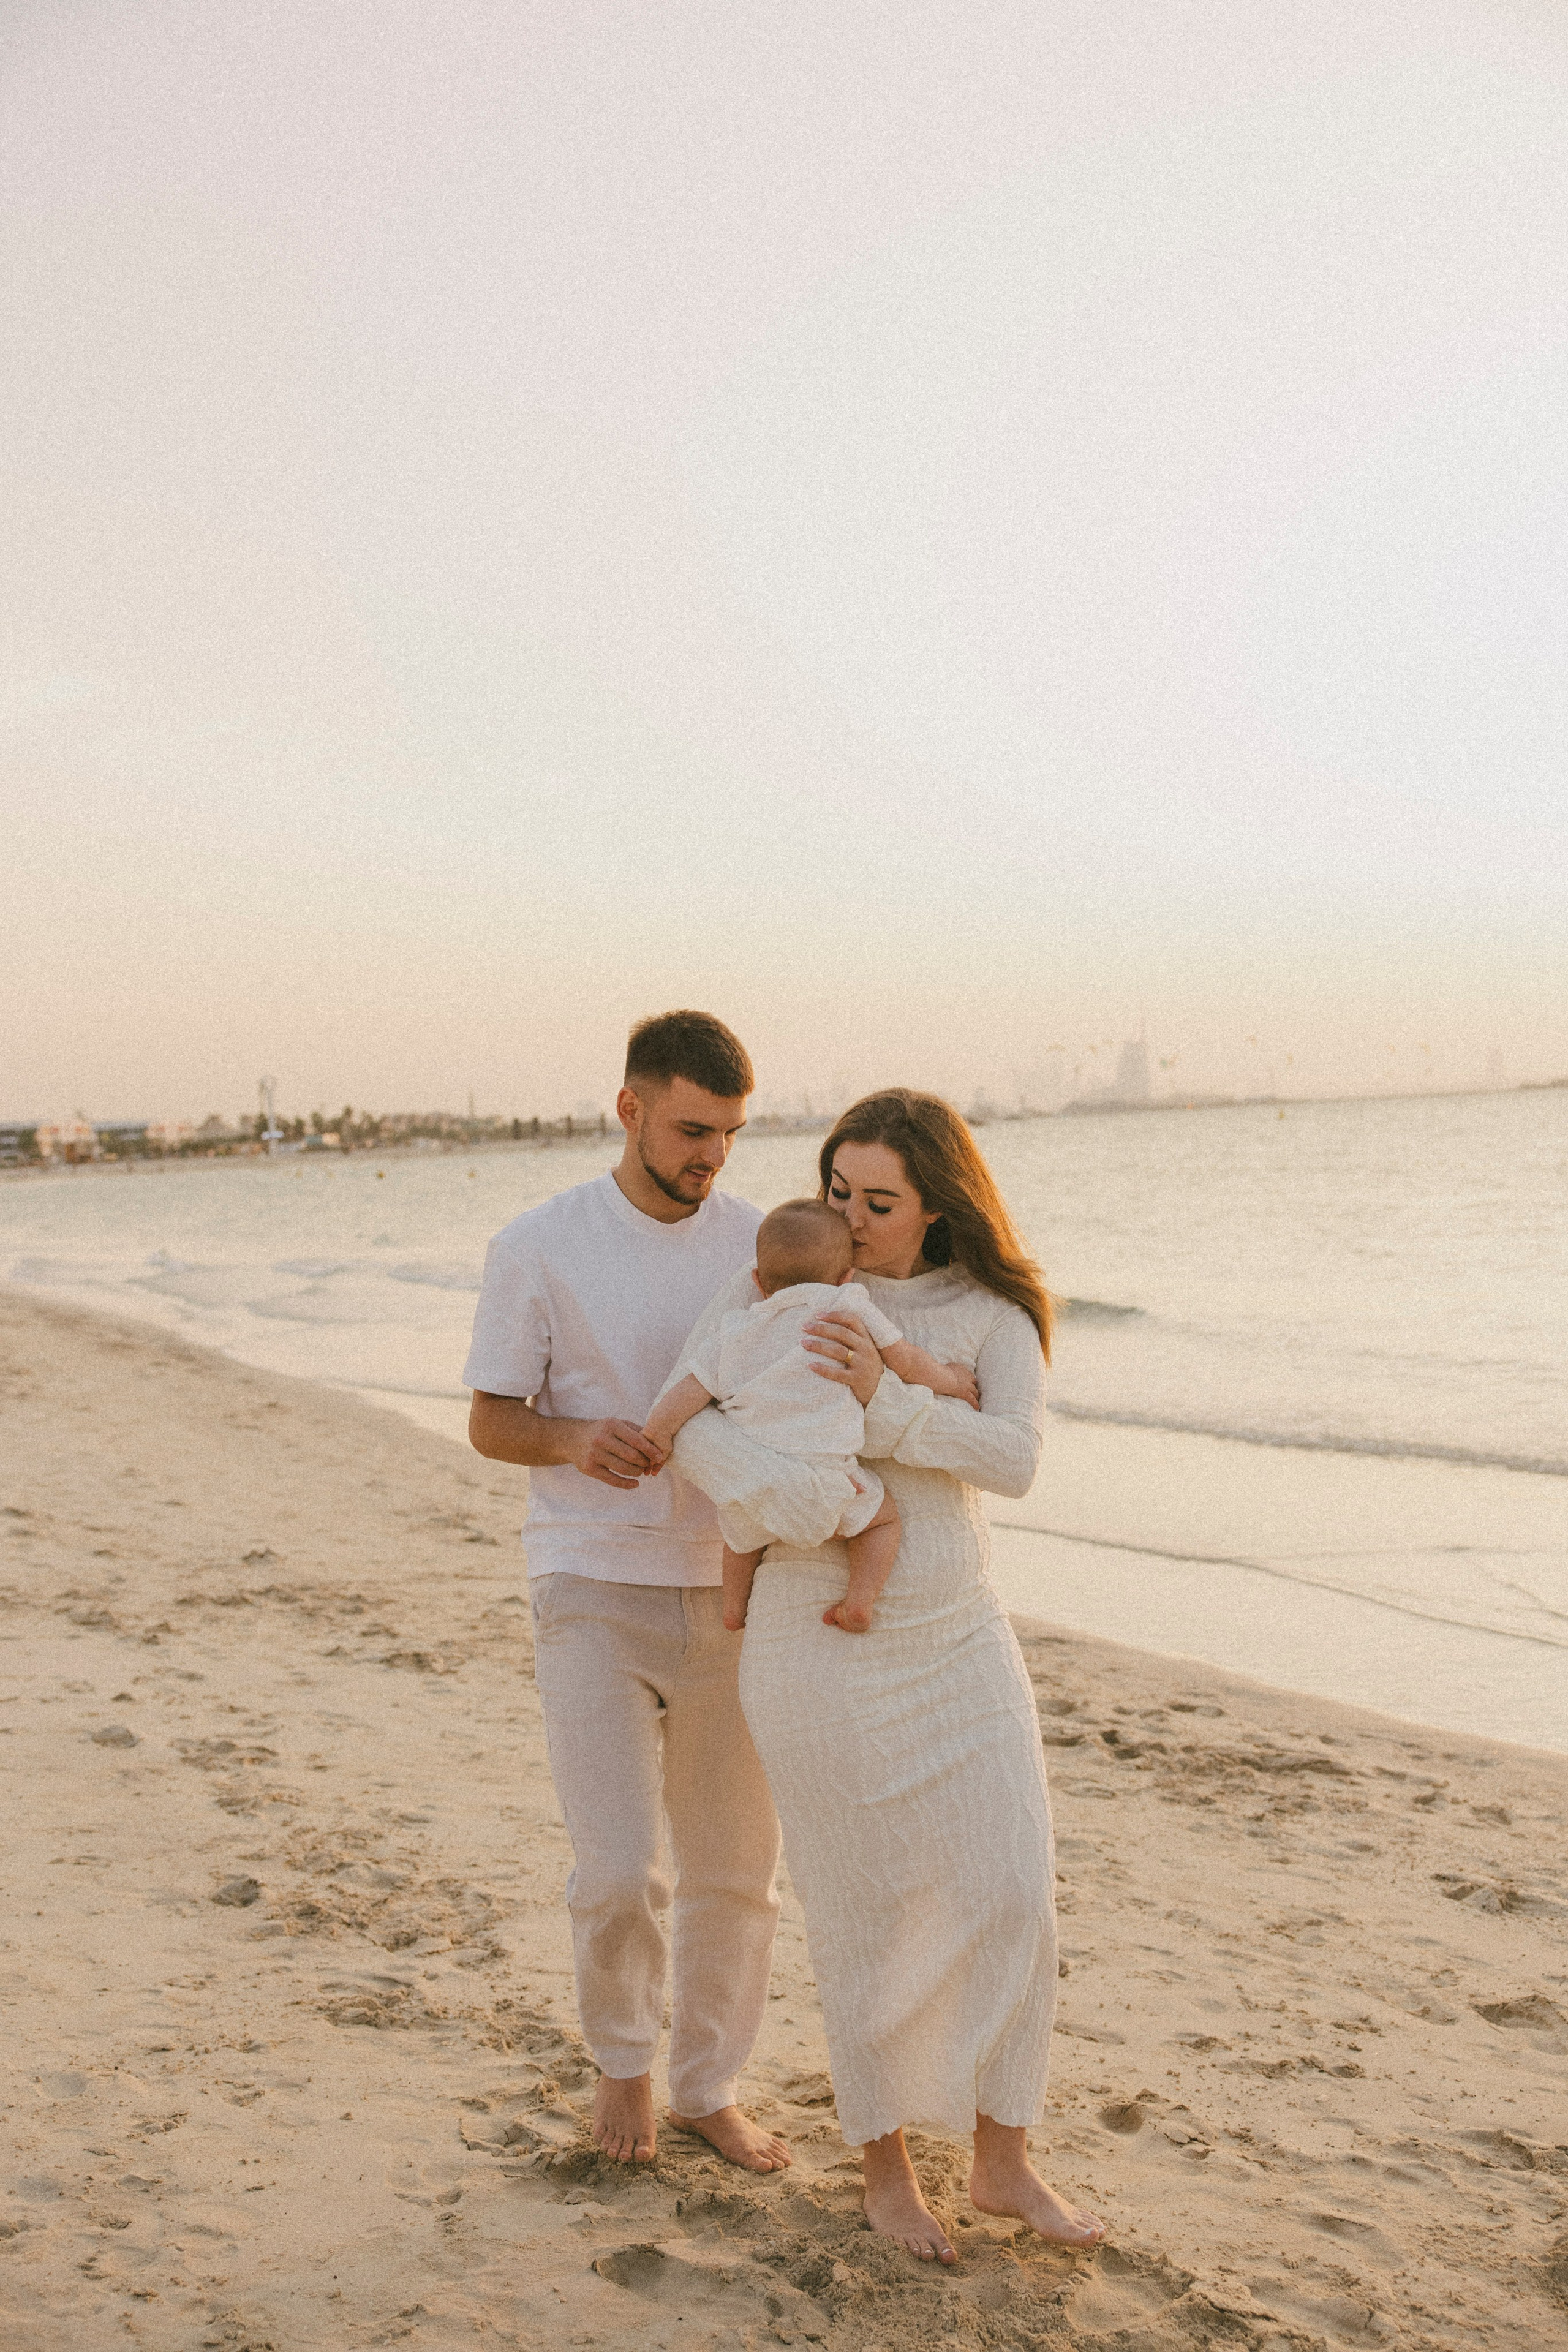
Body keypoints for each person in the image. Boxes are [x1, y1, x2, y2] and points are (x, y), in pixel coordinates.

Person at [663, 1090, 1106, 2259]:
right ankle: (886, 2171)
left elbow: (1012, 1460)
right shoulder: (772, 1290)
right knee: (862, 1907)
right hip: (814, 1633)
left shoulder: (993, 1315)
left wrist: (880, 1402)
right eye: (838, 1192)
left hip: (958, 1632)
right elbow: (696, 1425)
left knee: (1011, 1891)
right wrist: (806, 1492)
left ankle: (1004, 2163)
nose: (851, 1220)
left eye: (879, 1202)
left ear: (938, 1205)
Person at [463, 1009, 791, 2173]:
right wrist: (574, 1440)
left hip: (733, 1589)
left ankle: (708, 2086)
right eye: (695, 1130)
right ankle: (622, 2064)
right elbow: (491, 1419)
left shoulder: (762, 1248)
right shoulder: (539, 1245)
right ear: (630, 1109)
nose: (715, 1156)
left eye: (733, 1133)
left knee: (735, 1874)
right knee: (616, 1871)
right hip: (589, 1583)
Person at [642, 1196, 976, 1634]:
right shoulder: (847, 1305)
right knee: (883, 1520)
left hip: (758, 1488)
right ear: (846, 1276)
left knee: (739, 1538)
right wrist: (953, 1380)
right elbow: (907, 1362)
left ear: (758, 1281)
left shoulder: (735, 1330)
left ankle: (734, 1609)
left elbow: (690, 1389)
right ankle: (859, 1601)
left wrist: (657, 1434)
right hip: (831, 1486)